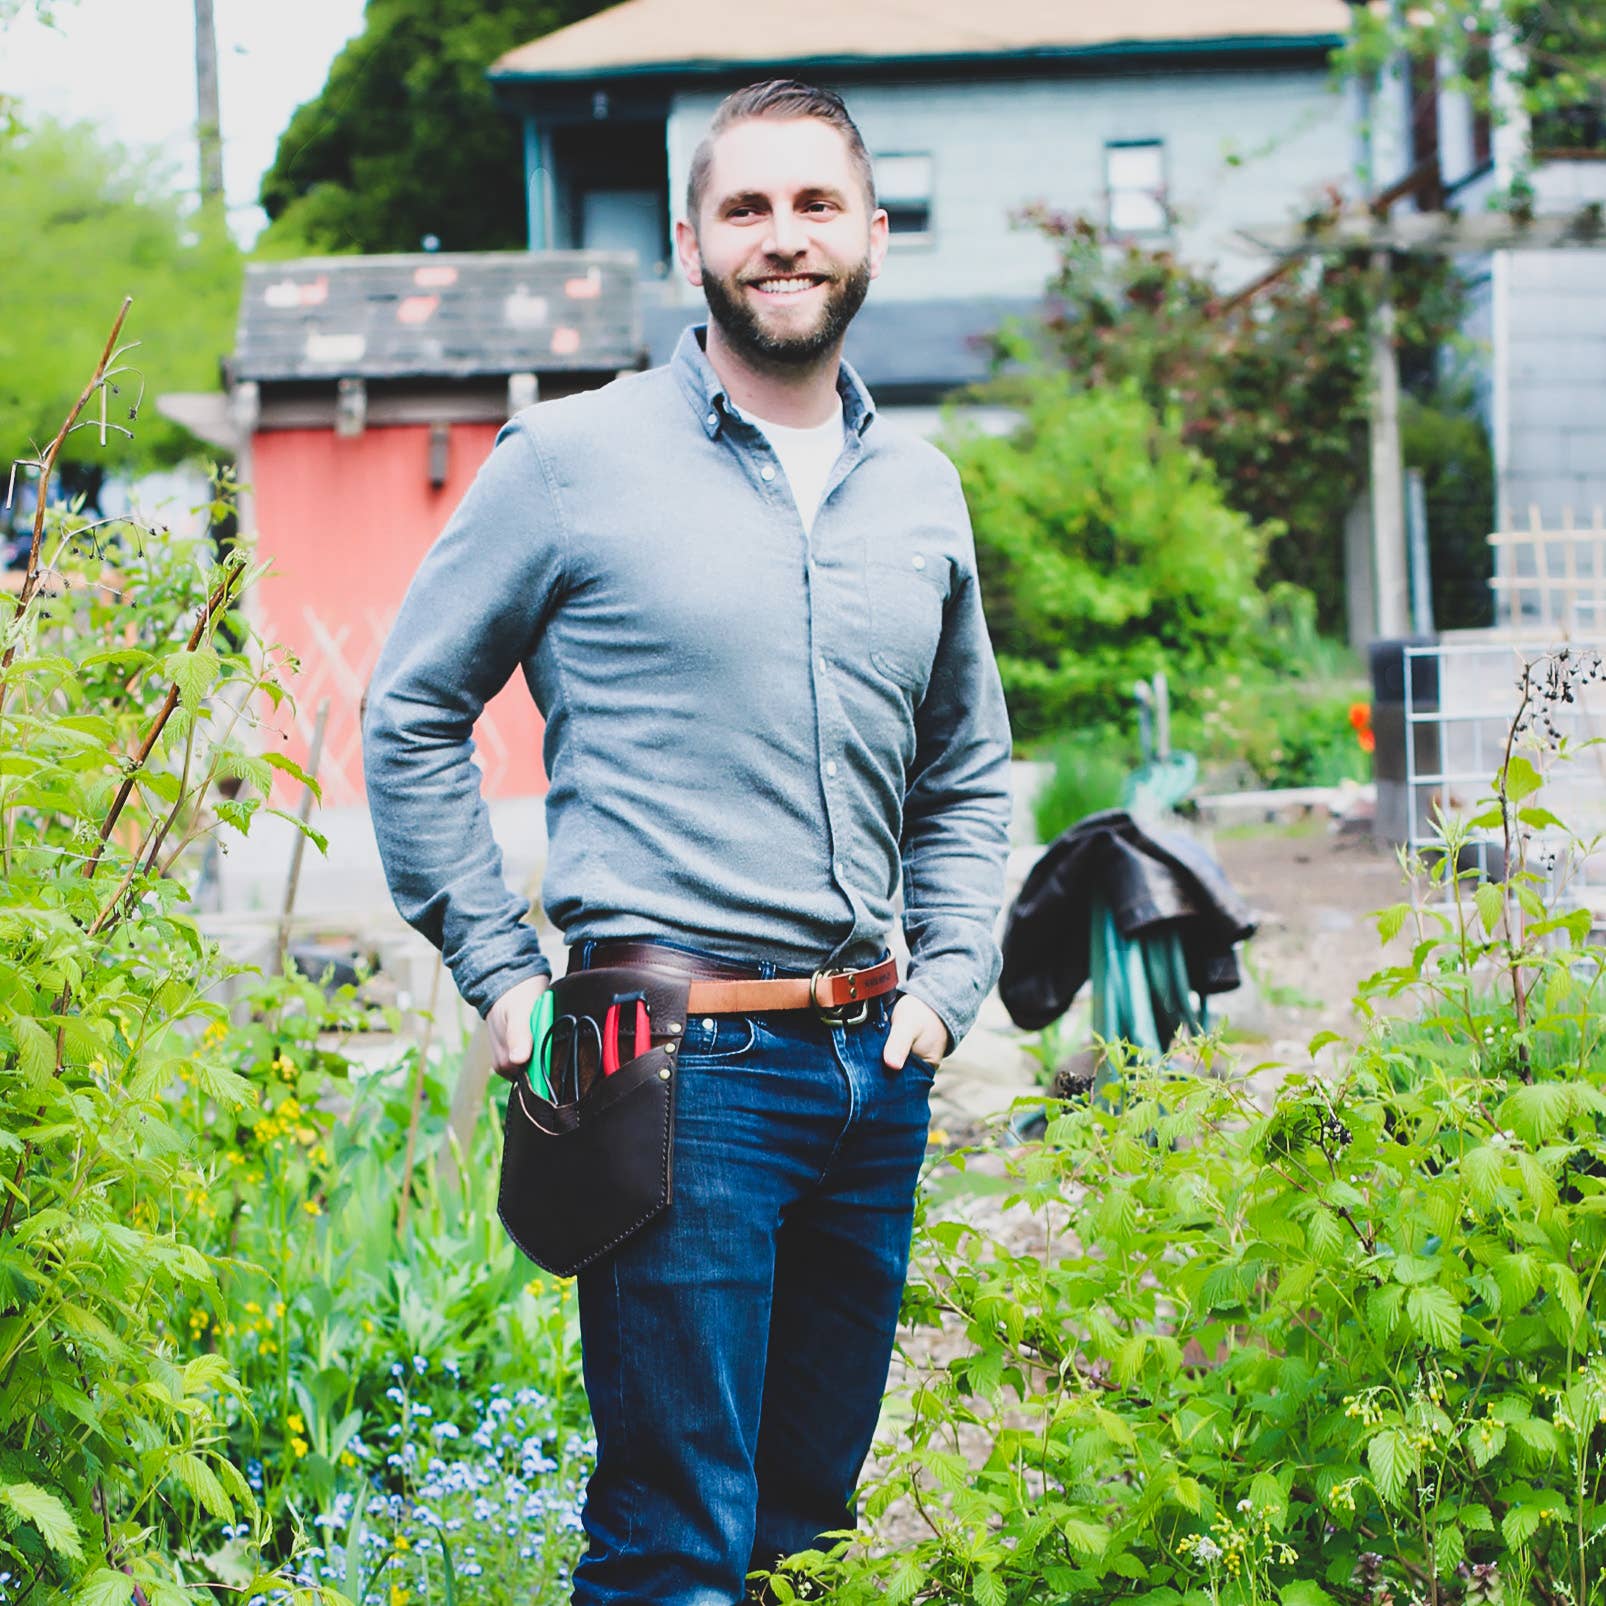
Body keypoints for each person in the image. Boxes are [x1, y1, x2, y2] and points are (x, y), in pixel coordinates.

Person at [361, 79, 1012, 1606]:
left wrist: (947, 986)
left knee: (804, 1529)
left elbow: (966, 770)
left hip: (874, 1070)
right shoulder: (568, 461)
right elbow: (409, 713)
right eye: (746, 208)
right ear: (688, 241)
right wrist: (508, 981)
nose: (782, 238)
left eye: (814, 206)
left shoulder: (921, 490)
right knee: (673, 1542)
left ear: (869, 235)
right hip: (672, 1071)